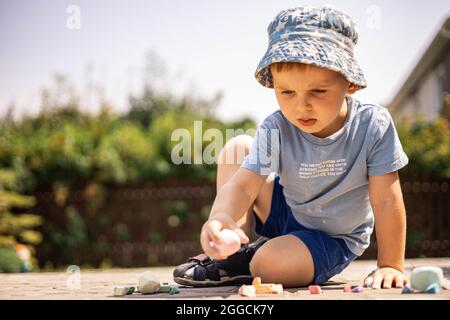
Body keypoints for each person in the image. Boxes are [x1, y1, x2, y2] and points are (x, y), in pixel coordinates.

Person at [174, 4, 409, 289]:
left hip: (331, 239)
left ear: (349, 82)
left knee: (268, 264)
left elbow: (386, 200)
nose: (301, 106)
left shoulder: (372, 124)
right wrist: (222, 217)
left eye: (318, 91)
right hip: (288, 211)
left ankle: (250, 259)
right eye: (287, 92)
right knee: (238, 147)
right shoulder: (277, 126)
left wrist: (391, 264)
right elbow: (244, 186)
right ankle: (233, 252)